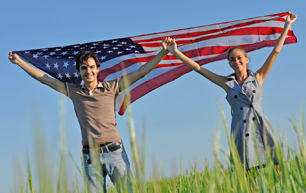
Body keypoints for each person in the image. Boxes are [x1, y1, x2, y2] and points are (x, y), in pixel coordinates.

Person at [8, 37, 172, 192]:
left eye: (92, 67)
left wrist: (163, 52)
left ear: (98, 69)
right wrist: (19, 62)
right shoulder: (74, 91)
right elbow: (44, 78)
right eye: (84, 68)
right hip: (90, 157)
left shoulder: (111, 87)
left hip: (115, 153)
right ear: (79, 72)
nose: (89, 71)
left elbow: (141, 72)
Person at [166, 12, 297, 170]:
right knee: (249, 171)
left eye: (239, 58)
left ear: (246, 59)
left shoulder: (258, 77)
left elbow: (275, 52)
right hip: (241, 130)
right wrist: (175, 52)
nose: (236, 62)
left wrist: (287, 26)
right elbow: (198, 69)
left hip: (261, 126)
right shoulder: (226, 83)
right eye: (232, 60)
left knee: (276, 167)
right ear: (229, 63)